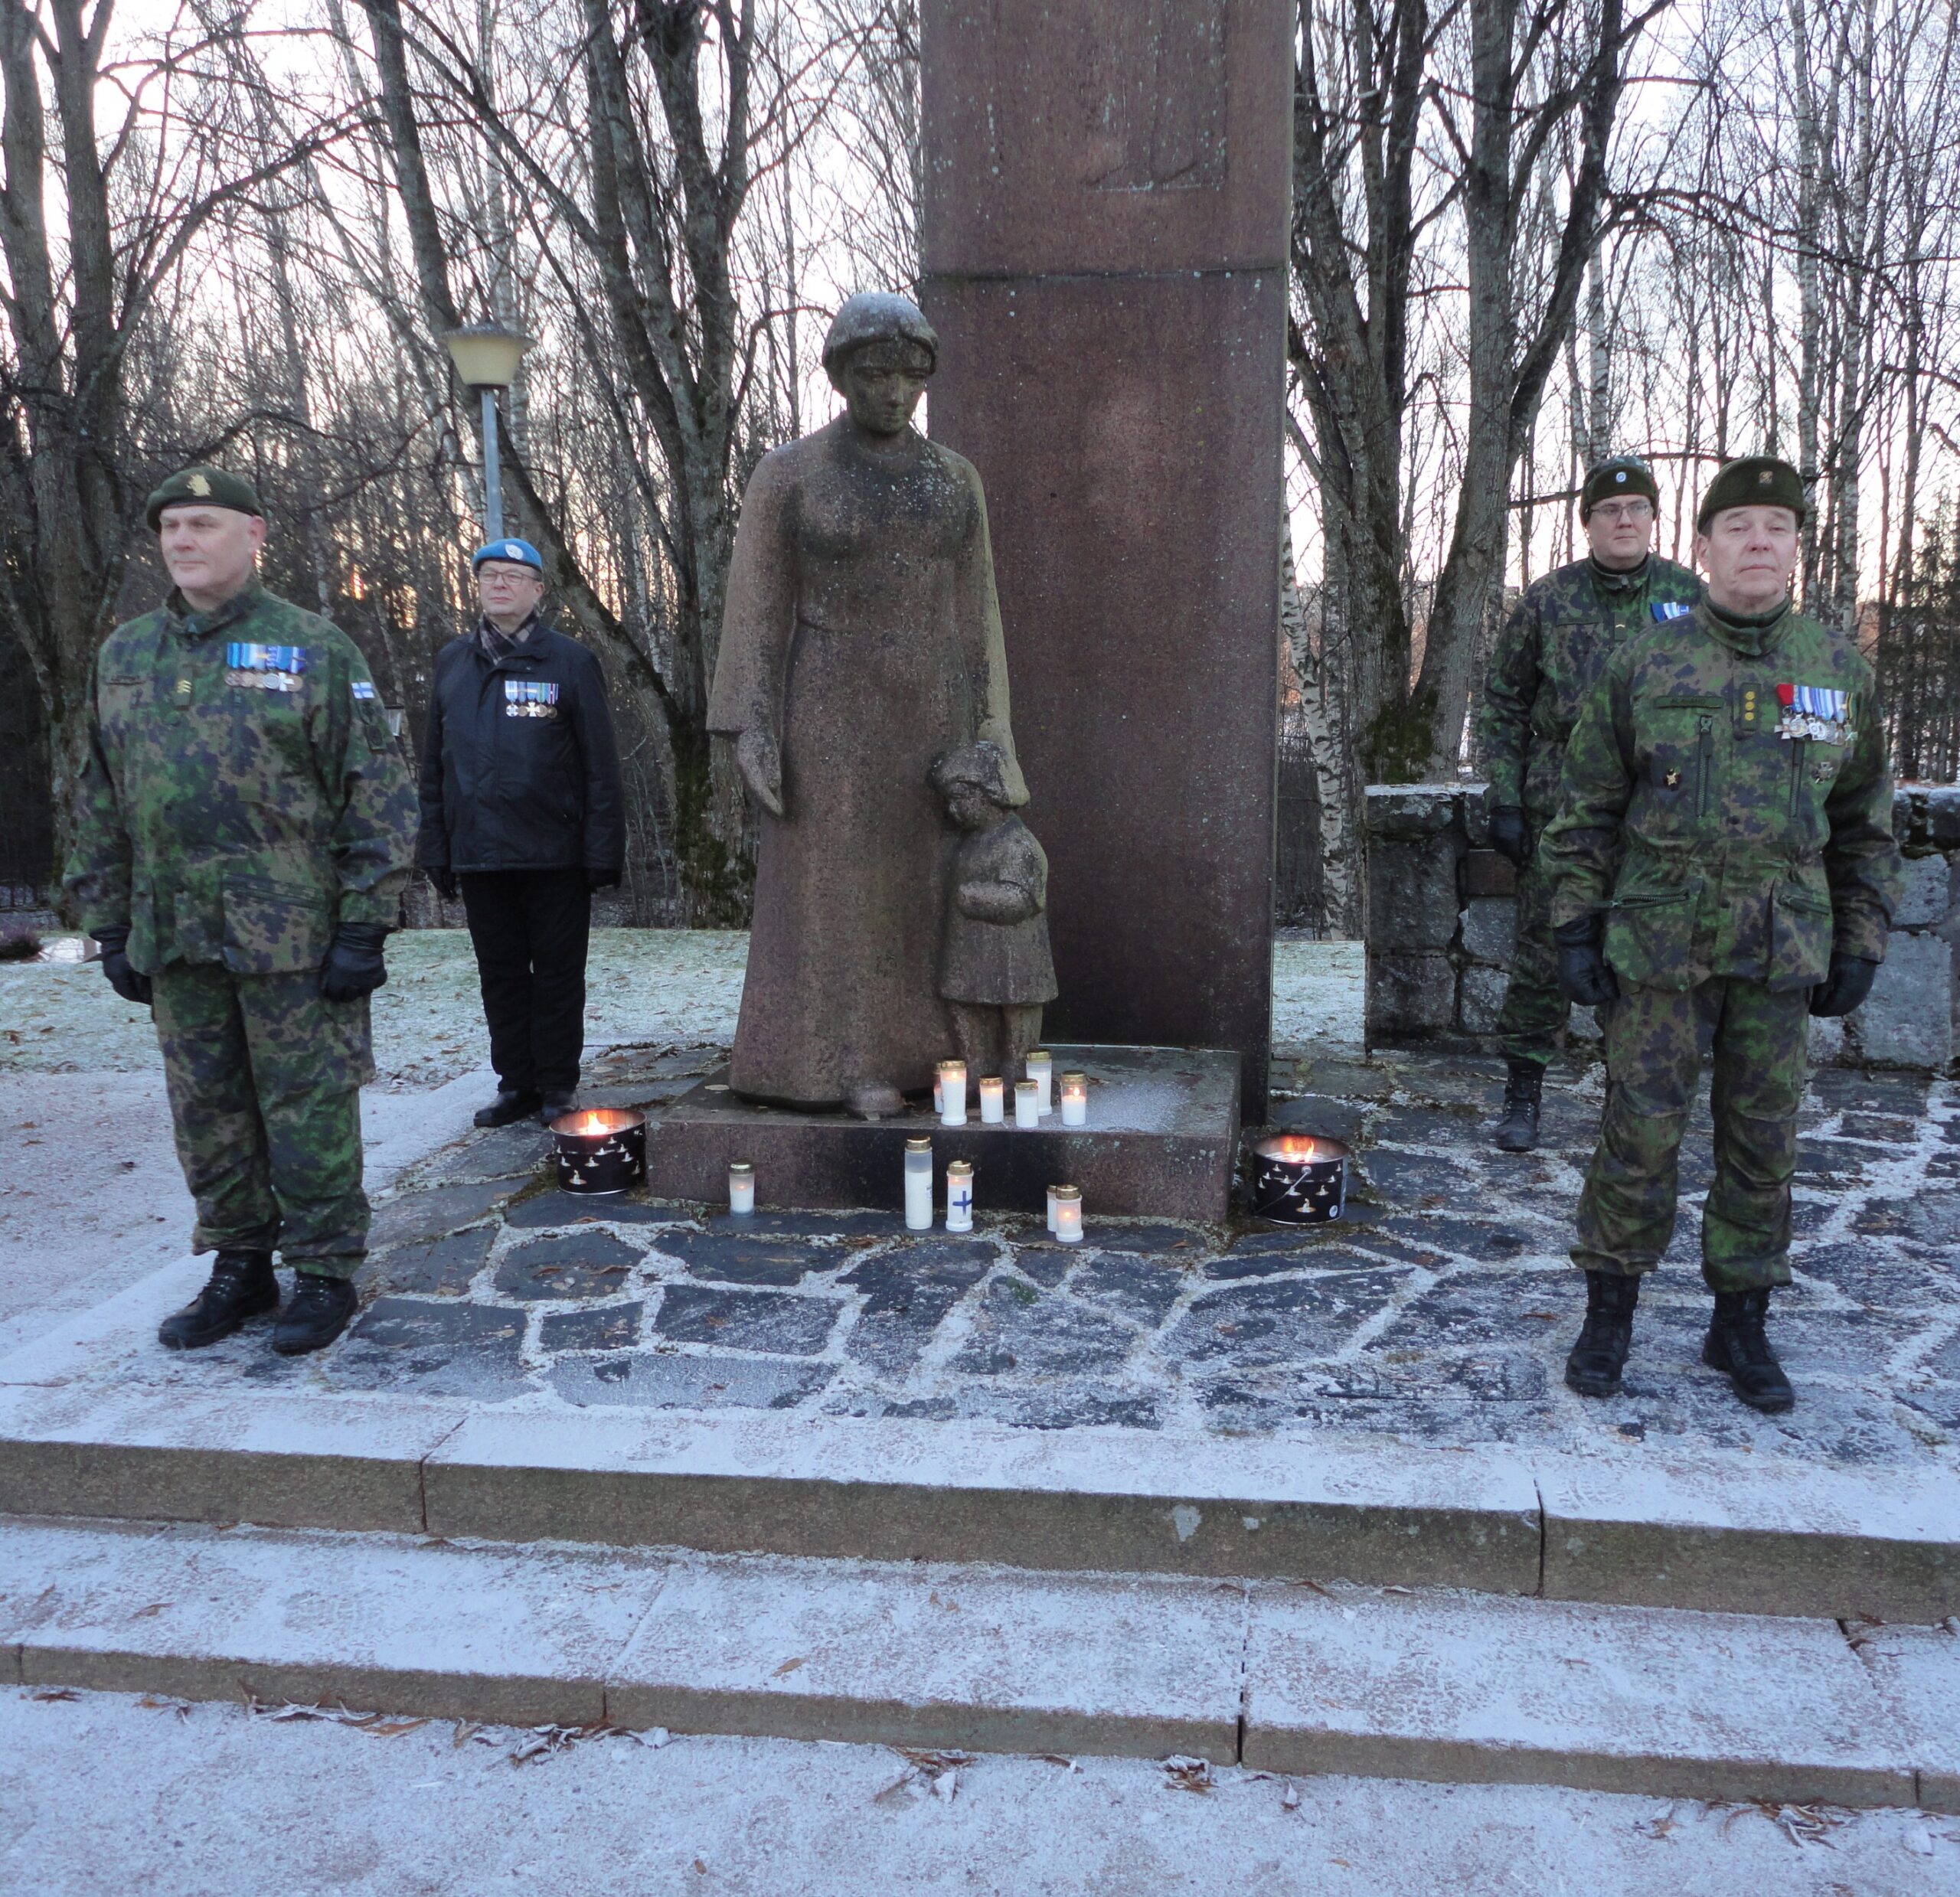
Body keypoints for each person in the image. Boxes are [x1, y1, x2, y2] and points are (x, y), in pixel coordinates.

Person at [1543, 455, 1903, 1412]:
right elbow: (1584, 807)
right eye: (1736, 526)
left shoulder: (1836, 671)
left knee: (1761, 1143)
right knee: (1638, 1131)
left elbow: (1866, 823)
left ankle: (1738, 1323)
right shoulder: (1647, 664)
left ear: (1795, 548)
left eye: (1775, 528)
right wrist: (1574, 922)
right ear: (1700, 548)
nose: (1757, 542)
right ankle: (1608, 1313)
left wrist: (1860, 936)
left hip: (1780, 948)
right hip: (1660, 946)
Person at [65, 466, 417, 1356]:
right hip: (175, 929)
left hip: (291, 932)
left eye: (203, 524)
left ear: (255, 535)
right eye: (172, 527)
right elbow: (97, 797)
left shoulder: (312, 646)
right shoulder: (125, 657)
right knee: (208, 1109)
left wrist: (365, 920)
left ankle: (326, 1270)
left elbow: (374, 788)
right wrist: (110, 923)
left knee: (307, 1106)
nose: (183, 541)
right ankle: (239, 1264)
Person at [708, 292, 1027, 1118]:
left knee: (926, 888)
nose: (893, 391)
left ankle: (934, 1057)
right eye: (875, 372)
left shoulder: (953, 480)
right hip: (829, 710)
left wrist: (993, 735)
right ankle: (838, 1063)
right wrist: (752, 722)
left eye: (909, 374)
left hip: (934, 709)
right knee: (836, 890)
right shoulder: (791, 473)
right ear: (842, 374)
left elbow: (978, 611)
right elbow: (757, 606)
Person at [1477, 456, 1701, 1151]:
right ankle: (1523, 1091)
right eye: (1610, 510)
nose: (1624, 520)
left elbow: (1718, 708)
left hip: (1653, 812)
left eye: (1637, 508)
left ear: (1653, 519)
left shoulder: (1690, 597)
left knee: (1638, 955)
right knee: (1543, 953)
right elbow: (1503, 703)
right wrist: (1506, 800)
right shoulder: (1548, 600)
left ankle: (1623, 1096)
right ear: (1589, 522)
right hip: (1560, 809)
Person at [416, 537, 623, 1128]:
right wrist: (436, 847)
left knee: (557, 975)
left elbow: (600, 766)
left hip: (554, 852)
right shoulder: (452, 662)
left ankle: (557, 1084)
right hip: (479, 853)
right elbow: (434, 765)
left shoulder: (569, 662)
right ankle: (517, 1085)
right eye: (489, 575)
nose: (499, 584)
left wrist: (602, 849)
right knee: (500, 976)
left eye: (513, 576)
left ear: (538, 589)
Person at [931, 740, 1057, 1082]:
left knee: (1016, 1007)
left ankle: (1018, 1068)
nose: (954, 810)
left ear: (989, 795)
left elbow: (1024, 898)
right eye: (950, 801)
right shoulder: (970, 844)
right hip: (970, 948)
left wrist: (975, 897)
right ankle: (975, 1066)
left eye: (961, 799)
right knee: (964, 1002)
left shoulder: (1018, 844)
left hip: (1013, 953)